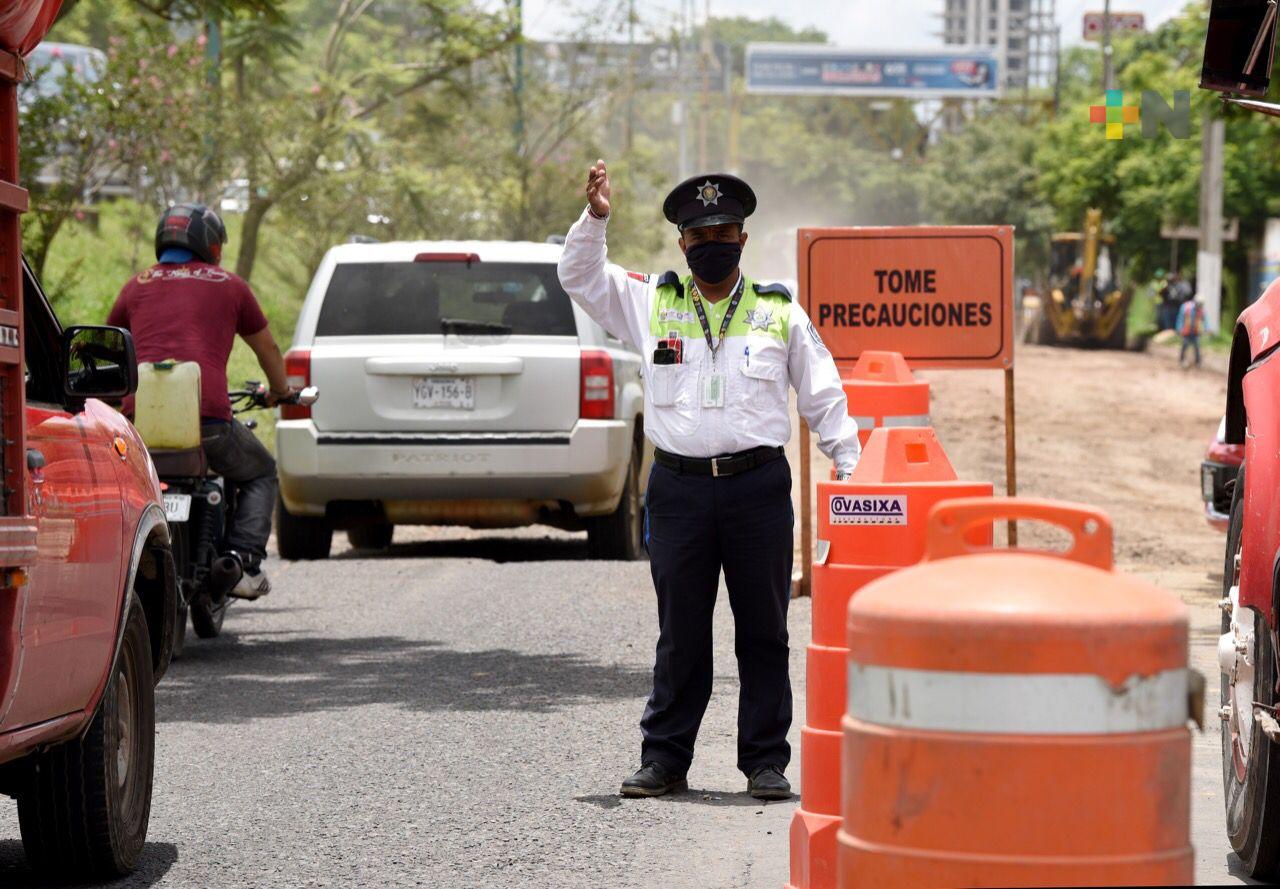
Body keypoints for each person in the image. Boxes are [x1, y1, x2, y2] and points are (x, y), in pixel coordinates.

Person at [557, 161, 861, 801]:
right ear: (682, 244)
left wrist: (849, 466)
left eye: (723, 232)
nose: (711, 244)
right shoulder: (652, 299)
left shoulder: (778, 310)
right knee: (681, 632)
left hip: (757, 491)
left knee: (764, 629)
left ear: (743, 240)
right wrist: (597, 219)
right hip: (679, 491)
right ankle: (665, 759)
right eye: (699, 235)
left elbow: (823, 392)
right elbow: (579, 276)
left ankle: (765, 763)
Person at [107, 203, 294, 599]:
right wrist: (280, 391)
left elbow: (108, 349)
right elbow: (268, 349)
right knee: (262, 472)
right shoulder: (229, 285)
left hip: (139, 423)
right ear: (209, 244)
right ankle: (242, 560)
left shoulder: (135, 285)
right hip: (208, 422)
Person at [1177, 296, 1206, 369]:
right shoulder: (1186, 307)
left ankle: (1198, 362)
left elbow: (1205, 320)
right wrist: (1179, 328)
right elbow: (1180, 318)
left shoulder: (1201, 310)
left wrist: (1206, 328)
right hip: (1186, 330)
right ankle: (1182, 360)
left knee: (1197, 346)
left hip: (1195, 332)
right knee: (1185, 345)